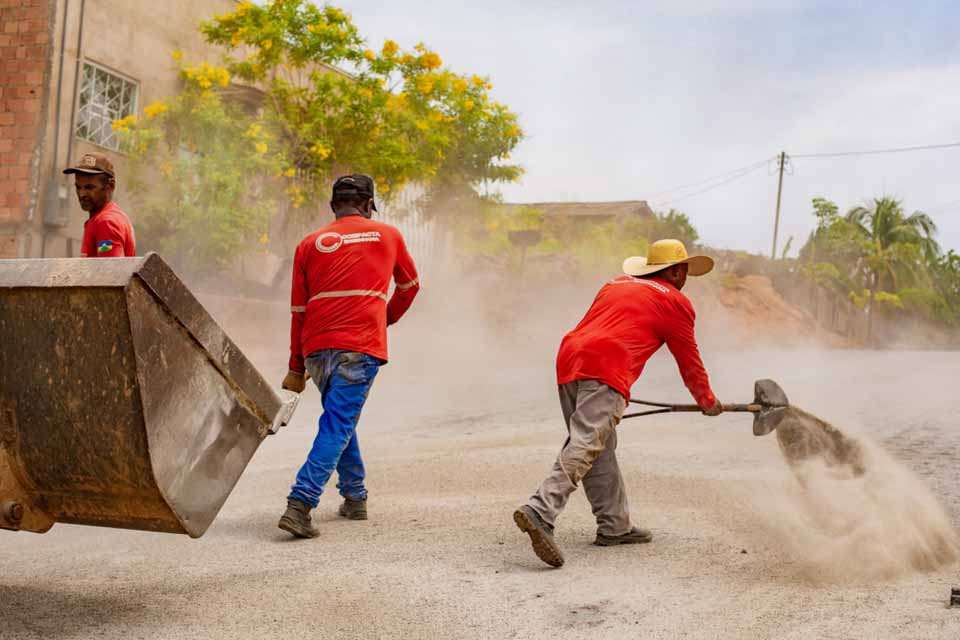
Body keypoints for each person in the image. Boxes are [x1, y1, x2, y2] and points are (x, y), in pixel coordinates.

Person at [513, 239, 722, 567]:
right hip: (608, 367)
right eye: (685, 272)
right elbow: (689, 362)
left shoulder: (616, 284)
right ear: (678, 270)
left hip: (570, 358)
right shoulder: (677, 302)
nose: (686, 279)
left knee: (599, 445)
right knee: (586, 442)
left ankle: (614, 525)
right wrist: (707, 401)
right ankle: (541, 510)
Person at [278, 174, 420, 538]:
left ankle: (355, 496)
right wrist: (383, 318)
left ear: (332, 206)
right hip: (359, 346)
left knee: (339, 419)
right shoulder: (387, 235)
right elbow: (409, 286)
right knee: (339, 423)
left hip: (315, 348)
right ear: (369, 204)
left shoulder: (309, 243)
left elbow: (298, 310)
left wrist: (296, 366)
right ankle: (300, 503)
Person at [63, 153, 135, 257]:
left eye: (89, 187)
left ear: (110, 186)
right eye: (78, 187)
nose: (82, 194)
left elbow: (110, 271)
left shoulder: (106, 223)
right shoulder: (110, 216)